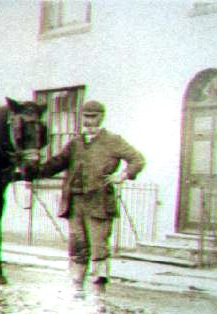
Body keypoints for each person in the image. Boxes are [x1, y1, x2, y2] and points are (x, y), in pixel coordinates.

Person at [42, 100, 145, 297]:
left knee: (98, 246)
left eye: (93, 117)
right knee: (77, 245)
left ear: (101, 117)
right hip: (75, 204)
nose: (89, 122)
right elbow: (56, 164)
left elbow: (137, 159)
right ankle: (77, 287)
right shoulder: (75, 143)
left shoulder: (113, 140)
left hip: (99, 203)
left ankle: (99, 291)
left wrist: (122, 175)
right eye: (86, 117)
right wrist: (33, 169)